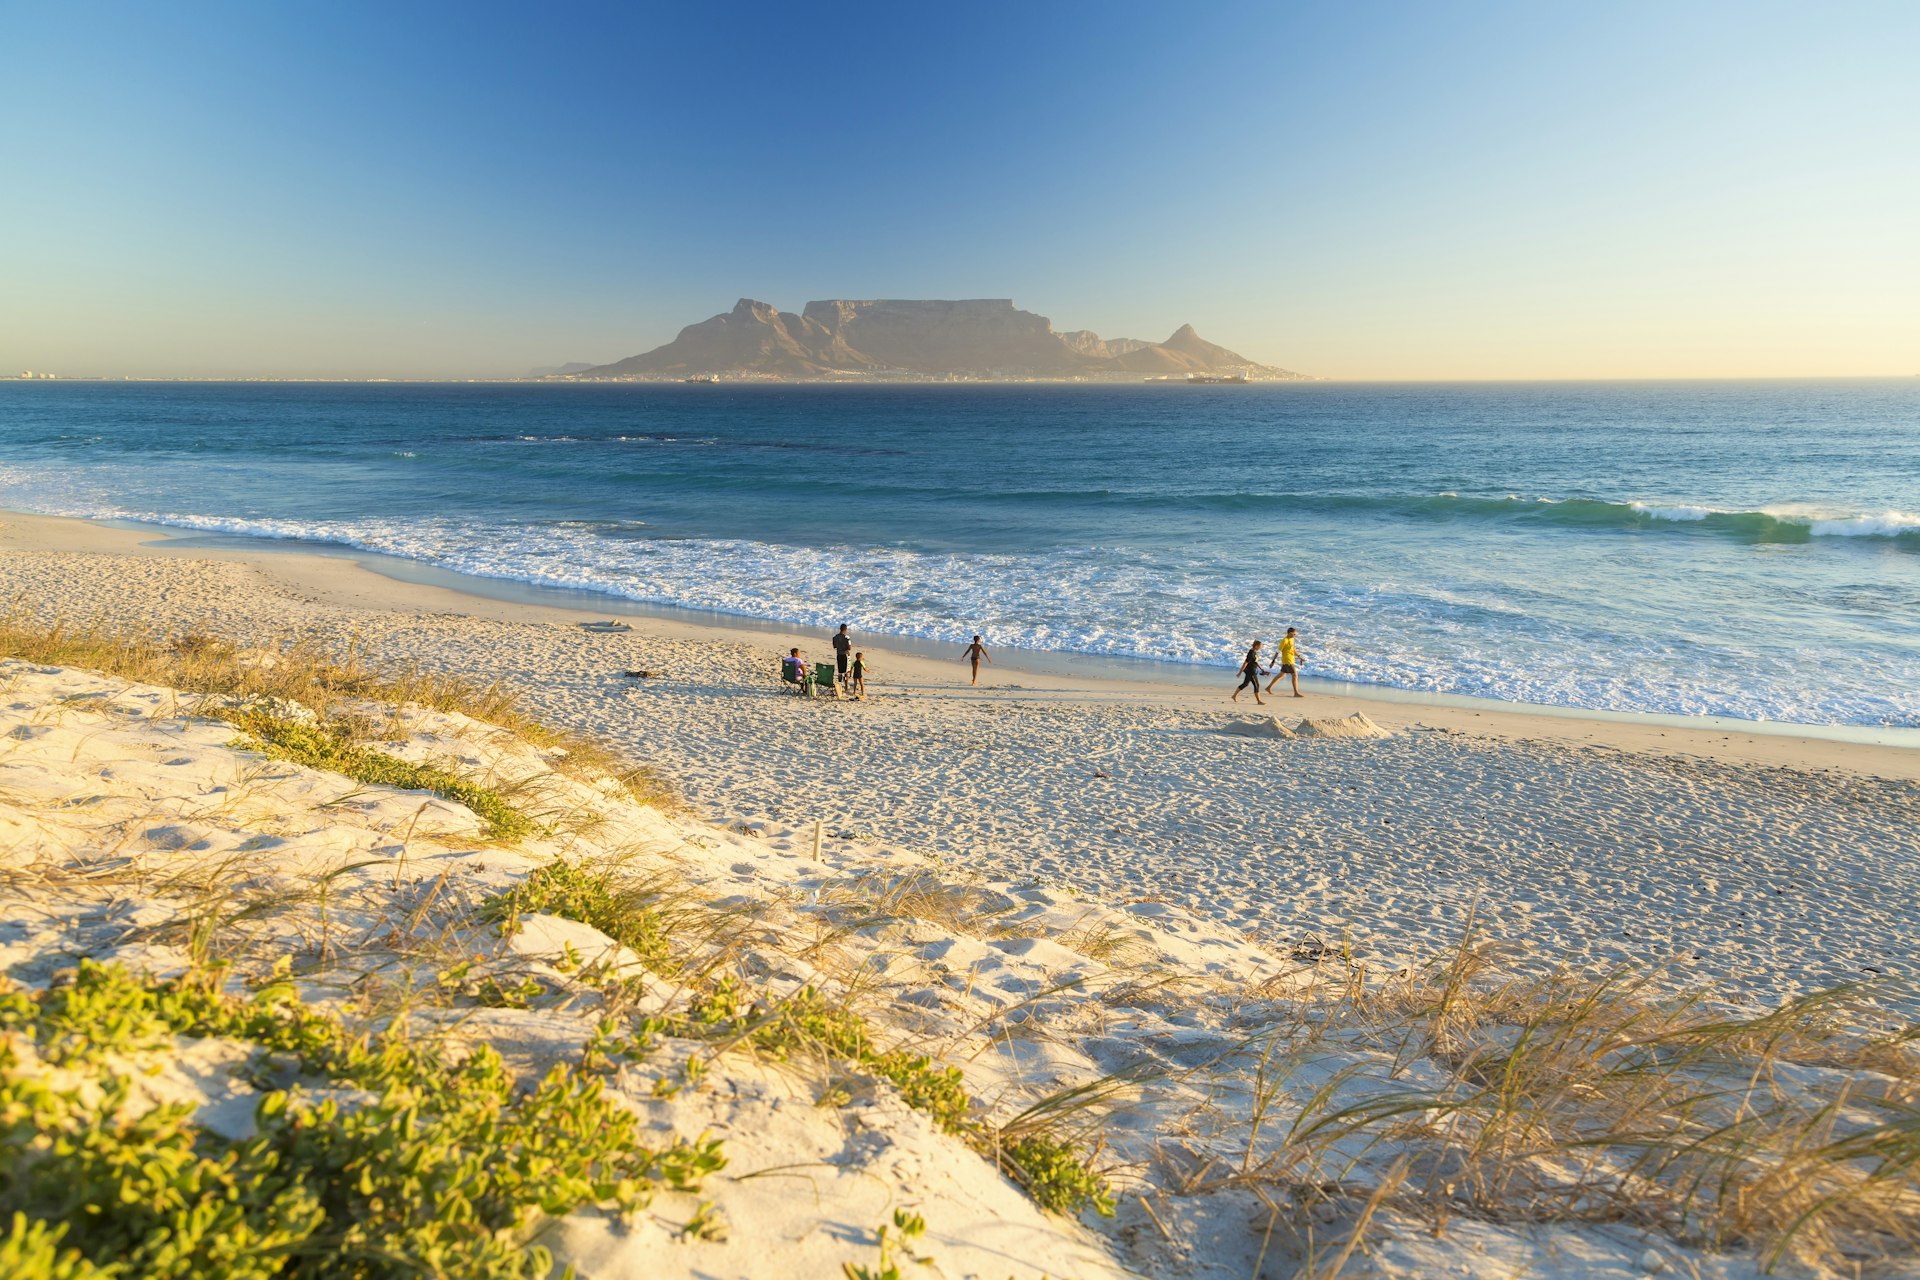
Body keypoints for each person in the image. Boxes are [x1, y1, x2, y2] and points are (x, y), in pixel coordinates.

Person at [1265, 626, 1304, 698]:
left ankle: (1268, 688)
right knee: (1295, 675)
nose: (1295, 635)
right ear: (1290, 633)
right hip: (1287, 660)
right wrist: (1273, 661)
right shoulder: (1284, 640)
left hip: (1291, 659)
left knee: (1282, 675)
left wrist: (1299, 657)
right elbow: (1277, 651)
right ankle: (1296, 693)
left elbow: (1293, 649)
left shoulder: (1292, 639)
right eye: (1294, 634)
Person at [1232, 639, 1268, 704]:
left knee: (1245, 684)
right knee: (1256, 685)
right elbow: (1245, 663)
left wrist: (1261, 669)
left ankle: (1234, 696)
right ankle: (1259, 701)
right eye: (1260, 646)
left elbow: (1256, 661)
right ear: (1256, 646)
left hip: (1252, 670)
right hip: (1250, 671)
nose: (1261, 647)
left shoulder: (1254, 652)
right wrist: (1240, 672)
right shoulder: (1251, 653)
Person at [831, 623, 853, 689]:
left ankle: (839, 685)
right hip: (845, 655)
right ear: (845, 629)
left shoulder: (835, 637)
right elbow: (849, 648)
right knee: (846, 671)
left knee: (840, 671)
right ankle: (846, 686)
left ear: (840, 629)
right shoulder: (847, 637)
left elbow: (834, 646)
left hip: (839, 654)